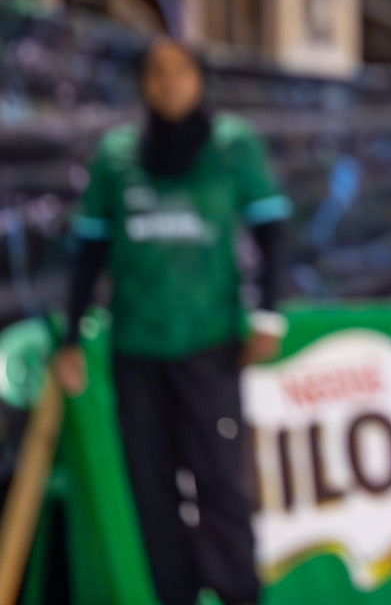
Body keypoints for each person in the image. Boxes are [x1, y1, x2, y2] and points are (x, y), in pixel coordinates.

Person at [50, 38, 292, 605]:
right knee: (151, 492)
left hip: (209, 343)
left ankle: (238, 595)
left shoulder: (232, 147)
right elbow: (89, 249)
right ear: (141, 83)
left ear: (201, 79)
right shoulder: (117, 155)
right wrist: (69, 340)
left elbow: (271, 230)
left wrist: (268, 315)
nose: (169, 83)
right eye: (156, 73)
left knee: (220, 485)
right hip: (136, 347)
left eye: (181, 71)